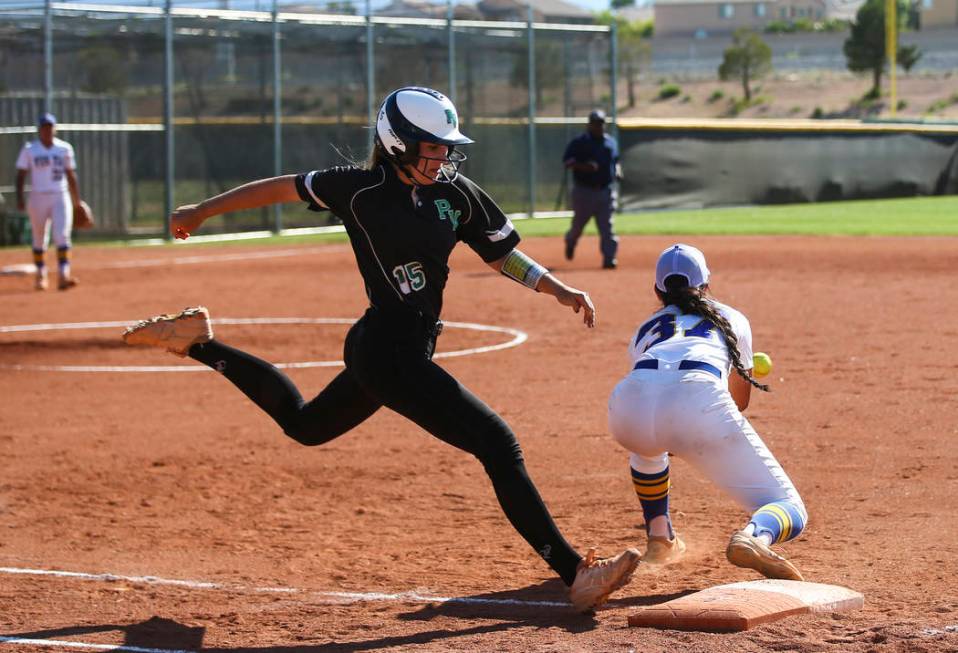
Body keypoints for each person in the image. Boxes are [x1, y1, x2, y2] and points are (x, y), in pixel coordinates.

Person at [122, 87, 640, 612]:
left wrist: (557, 287)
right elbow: (278, 189)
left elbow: (502, 254)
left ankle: (199, 344)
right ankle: (576, 572)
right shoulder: (358, 189)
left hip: (397, 349)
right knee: (498, 445)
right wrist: (204, 210)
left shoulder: (455, 193)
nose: (444, 157)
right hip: (388, 352)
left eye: (446, 147)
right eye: (433, 147)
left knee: (306, 425)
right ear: (398, 144)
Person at [607, 244, 808, 580]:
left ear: (657, 290)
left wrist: (672, 431)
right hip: (698, 399)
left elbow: (655, 393)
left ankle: (660, 538)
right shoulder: (732, 318)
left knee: (648, 447)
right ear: (706, 284)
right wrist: (689, 432)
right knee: (791, 508)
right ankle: (753, 537)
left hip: (627, 407)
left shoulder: (645, 327)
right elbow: (739, 402)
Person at [15, 112, 82, 291]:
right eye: (44, 127)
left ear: (55, 129)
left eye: (50, 127)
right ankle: (41, 275)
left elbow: (71, 174)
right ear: (39, 130)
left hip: (60, 195)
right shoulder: (30, 149)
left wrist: (77, 201)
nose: (47, 130)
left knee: (62, 235)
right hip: (37, 196)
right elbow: (21, 175)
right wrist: (20, 198)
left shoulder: (64, 148)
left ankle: (63, 274)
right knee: (39, 237)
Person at [561, 110, 622, 269]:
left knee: (607, 227)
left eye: (601, 123)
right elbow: (567, 162)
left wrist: (618, 171)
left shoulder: (610, 142)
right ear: (589, 125)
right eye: (595, 123)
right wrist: (584, 166)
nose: (599, 126)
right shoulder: (579, 142)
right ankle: (571, 241)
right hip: (584, 192)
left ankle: (609, 258)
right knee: (578, 226)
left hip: (605, 191)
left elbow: (616, 161)